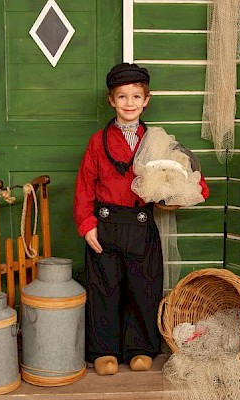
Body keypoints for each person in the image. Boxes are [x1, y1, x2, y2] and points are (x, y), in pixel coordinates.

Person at [73, 63, 164, 376]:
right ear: (111, 100)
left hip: (141, 225)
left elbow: (180, 174)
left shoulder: (157, 141)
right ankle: (104, 350)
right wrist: (87, 225)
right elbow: (85, 185)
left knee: (143, 287)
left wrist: (180, 190)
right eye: (122, 96)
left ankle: (140, 348)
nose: (129, 103)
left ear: (146, 100)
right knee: (105, 289)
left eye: (136, 96)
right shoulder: (98, 142)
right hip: (106, 227)